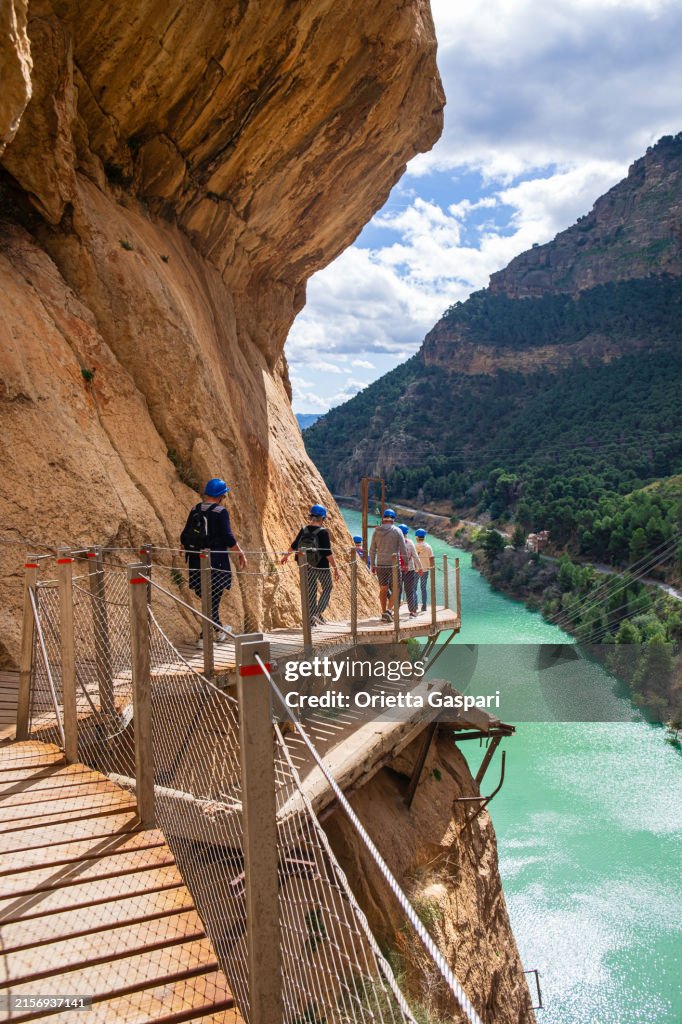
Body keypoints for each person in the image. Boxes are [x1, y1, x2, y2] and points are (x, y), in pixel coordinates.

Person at [181, 478, 247, 644]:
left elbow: (185, 534)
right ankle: (206, 636)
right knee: (213, 597)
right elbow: (228, 537)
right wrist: (240, 553)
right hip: (216, 562)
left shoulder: (195, 509)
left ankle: (216, 632)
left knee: (208, 599)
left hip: (196, 561)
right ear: (221, 495)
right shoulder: (220, 512)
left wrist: (184, 547)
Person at [281, 504, 340, 625]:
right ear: (322, 518)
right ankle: (317, 613)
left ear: (311, 517)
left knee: (311, 590)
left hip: (305, 565)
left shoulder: (304, 529)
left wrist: (286, 556)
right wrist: (336, 568)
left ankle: (311, 620)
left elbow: (294, 544)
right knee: (328, 587)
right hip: (321, 566)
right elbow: (327, 553)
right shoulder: (323, 532)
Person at [369, 509, 408, 622]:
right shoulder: (397, 531)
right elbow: (403, 549)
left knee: (383, 589)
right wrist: (405, 563)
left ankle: (383, 612)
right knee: (396, 589)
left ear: (383, 519)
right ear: (393, 519)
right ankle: (389, 611)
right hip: (393, 565)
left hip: (380, 564)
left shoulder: (376, 531)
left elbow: (372, 550)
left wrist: (372, 565)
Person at [398, 524, 422, 617]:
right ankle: (412, 611)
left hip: (398, 570)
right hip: (410, 570)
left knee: (397, 591)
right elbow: (415, 556)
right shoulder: (410, 542)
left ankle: (395, 611)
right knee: (409, 591)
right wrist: (420, 568)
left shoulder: (395, 543)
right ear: (406, 533)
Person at [415, 528, 434, 611]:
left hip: (415, 570)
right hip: (425, 570)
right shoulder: (428, 547)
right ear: (424, 537)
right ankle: (424, 606)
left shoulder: (414, 546)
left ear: (417, 537)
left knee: (414, 588)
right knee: (423, 588)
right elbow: (431, 558)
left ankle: (414, 605)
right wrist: (431, 566)